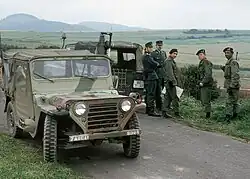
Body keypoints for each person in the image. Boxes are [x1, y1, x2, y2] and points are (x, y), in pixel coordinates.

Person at [220, 47, 240, 122]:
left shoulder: (233, 62)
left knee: (230, 101)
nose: (226, 54)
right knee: (234, 101)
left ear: (232, 53)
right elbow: (229, 73)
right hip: (230, 84)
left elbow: (235, 75)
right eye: (225, 53)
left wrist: (232, 86)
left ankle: (228, 117)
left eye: (228, 53)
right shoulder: (229, 62)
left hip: (232, 85)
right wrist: (224, 69)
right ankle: (235, 116)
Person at [142, 42, 161, 117]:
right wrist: (157, 64)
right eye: (150, 48)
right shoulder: (147, 57)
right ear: (146, 48)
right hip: (151, 77)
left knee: (148, 93)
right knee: (151, 94)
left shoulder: (145, 56)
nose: (151, 49)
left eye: (151, 47)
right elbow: (155, 64)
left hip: (148, 77)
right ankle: (151, 110)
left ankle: (148, 109)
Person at [162, 49, 182, 118]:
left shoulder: (171, 61)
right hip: (170, 82)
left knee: (168, 97)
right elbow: (170, 73)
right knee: (175, 98)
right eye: (174, 53)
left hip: (170, 82)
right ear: (170, 53)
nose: (175, 55)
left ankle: (164, 111)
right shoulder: (168, 62)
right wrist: (174, 82)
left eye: (176, 54)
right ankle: (176, 112)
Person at [196, 49, 213, 118]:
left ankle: (208, 115)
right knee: (203, 99)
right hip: (203, 84)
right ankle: (205, 113)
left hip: (206, 84)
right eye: (199, 55)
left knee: (206, 100)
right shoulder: (202, 63)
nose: (199, 56)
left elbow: (208, 74)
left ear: (204, 55)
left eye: (201, 55)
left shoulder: (206, 62)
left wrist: (202, 82)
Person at [151, 40, 166, 113]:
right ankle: (158, 106)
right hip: (157, 74)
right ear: (156, 46)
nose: (160, 47)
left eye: (161, 45)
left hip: (163, 74)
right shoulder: (153, 54)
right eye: (158, 45)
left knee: (165, 91)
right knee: (158, 92)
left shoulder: (163, 53)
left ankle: (165, 106)